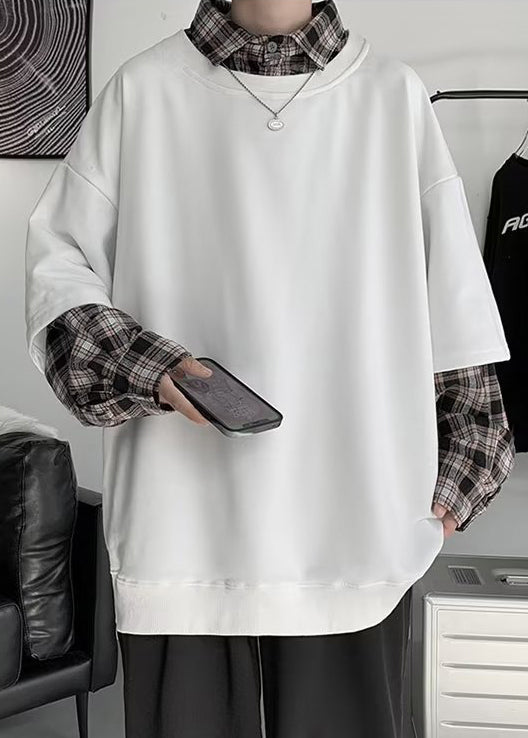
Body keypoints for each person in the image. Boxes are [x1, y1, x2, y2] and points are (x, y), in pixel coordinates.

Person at [25, 1, 515, 736]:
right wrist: (154, 368)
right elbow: (57, 280)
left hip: (356, 542)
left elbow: (458, 326)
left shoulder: (392, 95)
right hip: (181, 541)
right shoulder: (142, 91)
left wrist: (454, 484)